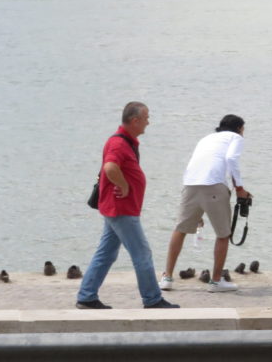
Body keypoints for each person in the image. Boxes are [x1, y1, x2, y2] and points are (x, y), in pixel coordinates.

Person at [76, 102, 178, 310]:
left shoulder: (125, 141)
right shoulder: (119, 143)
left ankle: (86, 296)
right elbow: (110, 166)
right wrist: (123, 185)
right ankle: (152, 299)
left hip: (117, 208)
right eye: (146, 118)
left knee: (106, 254)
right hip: (121, 209)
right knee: (142, 254)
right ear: (135, 120)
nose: (148, 122)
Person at [160, 114, 251, 294]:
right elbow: (232, 159)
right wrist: (239, 188)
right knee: (223, 234)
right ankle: (216, 282)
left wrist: (199, 210)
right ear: (239, 128)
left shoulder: (206, 138)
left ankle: (167, 278)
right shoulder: (236, 137)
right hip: (214, 184)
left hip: (190, 183)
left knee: (180, 229)